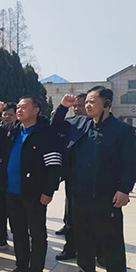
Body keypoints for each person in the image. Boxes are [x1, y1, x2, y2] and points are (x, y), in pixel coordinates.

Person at [53, 88, 136, 272]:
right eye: (87, 102)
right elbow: (55, 127)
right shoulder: (79, 124)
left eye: (93, 101)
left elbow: (131, 163)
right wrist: (63, 107)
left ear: (107, 103)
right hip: (79, 193)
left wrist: (124, 190)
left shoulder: (122, 130)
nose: (88, 105)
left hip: (107, 197)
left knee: (111, 242)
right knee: (82, 239)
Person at [0, 97, 63, 272]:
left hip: (34, 192)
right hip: (11, 191)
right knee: (18, 232)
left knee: (37, 234)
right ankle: (21, 268)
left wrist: (48, 191)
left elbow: (54, 164)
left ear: (36, 110)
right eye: (18, 107)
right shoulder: (12, 130)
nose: (19, 110)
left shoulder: (45, 133)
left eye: (24, 107)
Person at [54, 93, 87, 261]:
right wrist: (62, 108)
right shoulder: (72, 123)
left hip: (96, 180)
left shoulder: (103, 126)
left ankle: (100, 253)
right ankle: (70, 248)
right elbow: (54, 125)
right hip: (73, 177)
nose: (77, 109)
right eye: (75, 106)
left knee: (96, 219)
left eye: (80, 106)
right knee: (71, 217)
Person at [0, 102, 18, 250]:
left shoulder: (19, 131)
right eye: (4, 114)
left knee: (14, 211)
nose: (6, 117)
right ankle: (0, 237)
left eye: (10, 115)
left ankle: (20, 239)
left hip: (14, 178)